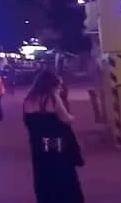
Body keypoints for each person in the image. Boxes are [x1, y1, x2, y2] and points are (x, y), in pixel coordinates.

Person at [23, 70, 84, 203]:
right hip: (56, 141)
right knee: (62, 170)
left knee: (43, 172)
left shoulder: (28, 99)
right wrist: (72, 117)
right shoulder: (51, 98)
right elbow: (66, 118)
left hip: (38, 143)